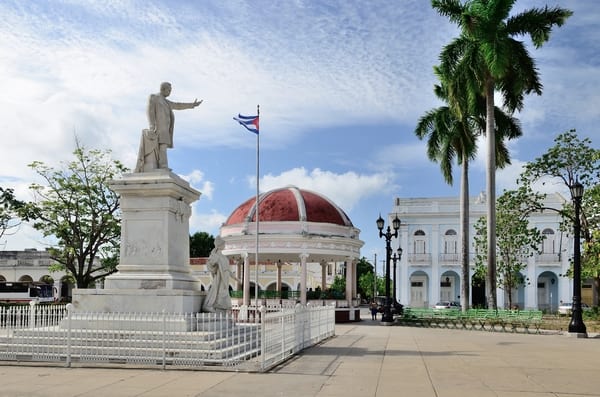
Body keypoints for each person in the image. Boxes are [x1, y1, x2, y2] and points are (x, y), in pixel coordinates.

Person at [135, 82, 202, 172]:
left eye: (170, 90)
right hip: (157, 126)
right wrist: (152, 125)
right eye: (169, 90)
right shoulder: (154, 97)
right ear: (163, 89)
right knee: (160, 147)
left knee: (163, 147)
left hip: (165, 129)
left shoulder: (166, 102)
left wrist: (192, 105)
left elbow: (178, 105)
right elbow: (150, 111)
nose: (170, 92)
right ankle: (161, 166)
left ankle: (162, 166)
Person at [202, 237, 239, 313]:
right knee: (219, 293)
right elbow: (210, 265)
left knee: (224, 293)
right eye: (223, 244)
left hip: (225, 278)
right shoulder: (215, 256)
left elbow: (228, 271)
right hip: (220, 277)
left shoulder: (224, 258)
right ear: (219, 245)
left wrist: (236, 278)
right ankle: (211, 306)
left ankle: (222, 309)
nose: (224, 245)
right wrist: (213, 262)